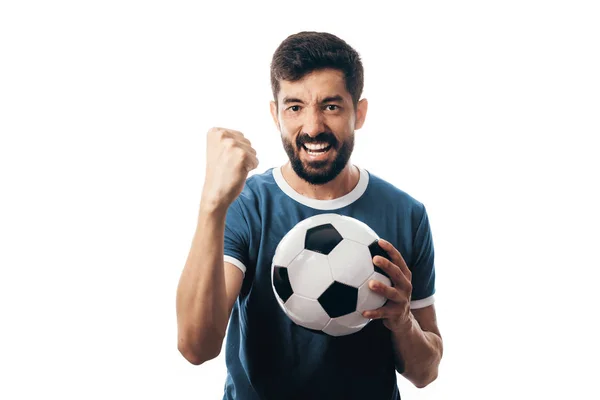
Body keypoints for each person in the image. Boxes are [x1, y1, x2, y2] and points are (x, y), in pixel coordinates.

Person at [176, 31, 443, 400]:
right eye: (295, 107)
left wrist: (402, 322)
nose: (313, 127)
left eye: (331, 106)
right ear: (275, 113)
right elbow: (196, 347)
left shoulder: (405, 214)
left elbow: (426, 373)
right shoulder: (245, 205)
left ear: (359, 113)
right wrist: (211, 205)